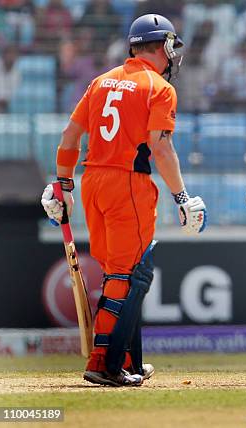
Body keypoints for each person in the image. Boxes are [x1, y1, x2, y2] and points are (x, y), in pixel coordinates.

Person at [40, 14, 207, 387]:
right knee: (126, 275)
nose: (173, 56)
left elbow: (69, 138)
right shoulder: (158, 88)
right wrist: (182, 197)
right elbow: (161, 148)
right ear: (163, 46)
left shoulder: (101, 82)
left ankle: (129, 361)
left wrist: (63, 185)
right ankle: (104, 362)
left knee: (122, 271)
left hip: (92, 182)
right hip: (127, 183)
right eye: (171, 47)